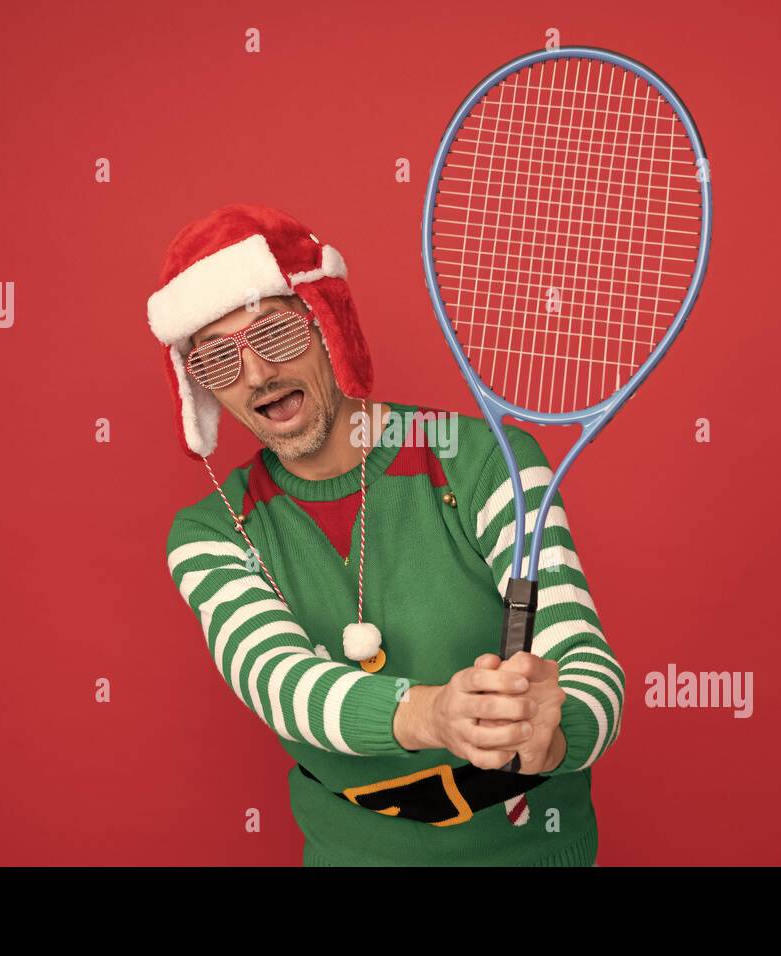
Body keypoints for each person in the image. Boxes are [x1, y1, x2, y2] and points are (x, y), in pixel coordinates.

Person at [147, 202, 623, 866]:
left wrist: (556, 731)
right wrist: (434, 715)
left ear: (329, 327)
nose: (256, 375)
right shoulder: (211, 533)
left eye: (276, 337)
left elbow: (586, 664)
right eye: (218, 362)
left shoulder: (485, 461)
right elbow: (282, 684)